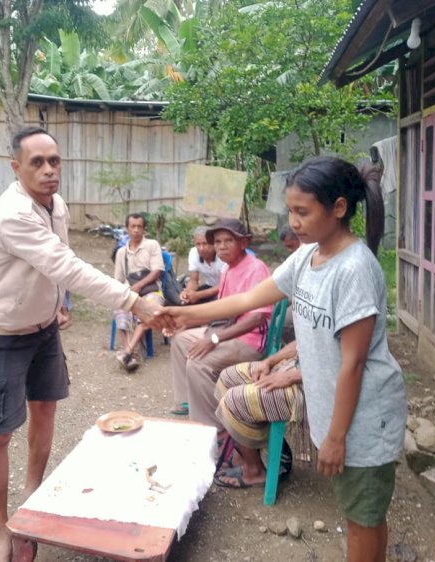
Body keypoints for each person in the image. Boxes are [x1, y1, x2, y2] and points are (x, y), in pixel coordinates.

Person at [153, 156, 406, 562]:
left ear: (338, 208)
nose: (294, 222)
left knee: (363, 519)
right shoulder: (308, 257)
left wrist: (337, 437)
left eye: (302, 212)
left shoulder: (355, 269)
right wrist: (184, 315)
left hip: (364, 420)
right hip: (338, 410)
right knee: (358, 512)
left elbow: (353, 363)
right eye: (290, 211)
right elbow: (249, 298)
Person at [0, 126, 161, 562]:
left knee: (45, 410)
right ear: (17, 168)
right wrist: (132, 301)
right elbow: (66, 264)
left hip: (44, 329)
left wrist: (59, 303)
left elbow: (57, 265)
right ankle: (0, 530)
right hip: (2, 334)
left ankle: (30, 501)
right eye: (37, 162)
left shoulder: (57, 205)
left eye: (54, 161)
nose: (49, 170)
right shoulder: (13, 213)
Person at [168, 218, 272, 422]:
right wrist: (185, 322)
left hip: (248, 340)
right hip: (228, 329)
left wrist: (214, 339)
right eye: (217, 241)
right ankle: (188, 401)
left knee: (197, 362)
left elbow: (257, 318)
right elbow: (222, 311)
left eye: (228, 240)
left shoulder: (255, 268)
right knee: (180, 340)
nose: (221, 246)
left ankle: (212, 425)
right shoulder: (228, 268)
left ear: (243, 243)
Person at [213, 341, 303, 488]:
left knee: (235, 400)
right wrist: (270, 361)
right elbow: (302, 340)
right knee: (227, 377)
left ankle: (254, 470)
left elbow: (342, 366)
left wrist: (291, 376)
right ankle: (246, 456)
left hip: (314, 386)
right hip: (295, 365)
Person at [112, 213, 164, 372]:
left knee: (148, 308)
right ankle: (131, 354)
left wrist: (139, 286)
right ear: (127, 229)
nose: (136, 230)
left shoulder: (152, 245)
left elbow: (157, 271)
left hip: (151, 290)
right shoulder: (121, 252)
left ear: (144, 229)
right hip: (130, 291)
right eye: (132, 227)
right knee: (120, 307)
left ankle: (127, 352)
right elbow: (118, 279)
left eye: (139, 227)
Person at [179, 226, 226, 305]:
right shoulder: (194, 253)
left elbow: (224, 284)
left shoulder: (223, 255)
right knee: (187, 302)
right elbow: (194, 280)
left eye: (205, 244)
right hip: (209, 287)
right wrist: (187, 292)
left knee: (212, 308)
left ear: (213, 243)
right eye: (198, 244)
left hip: (226, 289)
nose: (201, 248)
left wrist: (198, 295)